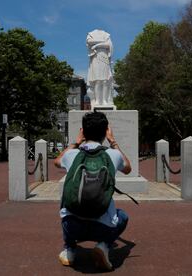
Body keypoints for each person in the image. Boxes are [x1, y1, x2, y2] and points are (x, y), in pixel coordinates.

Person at [54, 111, 131, 271]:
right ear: (105, 132)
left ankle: (70, 250)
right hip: (103, 227)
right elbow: (128, 168)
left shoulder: (72, 155)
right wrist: (113, 142)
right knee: (123, 216)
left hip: (72, 225)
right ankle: (103, 245)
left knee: (65, 204)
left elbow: (56, 161)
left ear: (83, 131)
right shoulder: (113, 155)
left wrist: (75, 142)